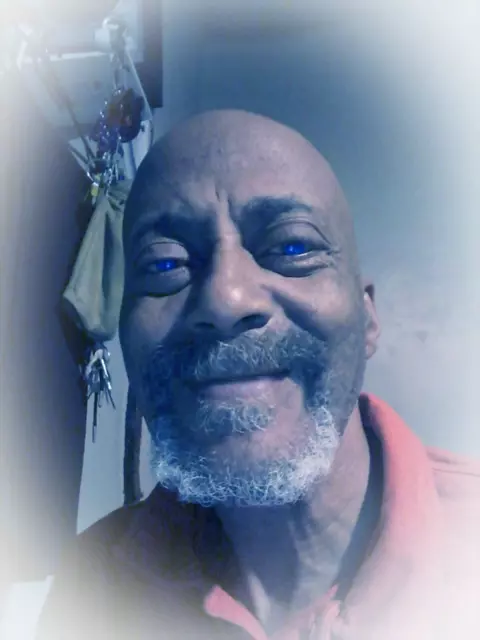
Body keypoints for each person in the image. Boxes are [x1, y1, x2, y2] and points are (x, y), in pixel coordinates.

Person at [37, 110, 480, 640]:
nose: (226, 299)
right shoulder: (90, 585)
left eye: (292, 247)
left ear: (368, 319)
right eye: (164, 264)